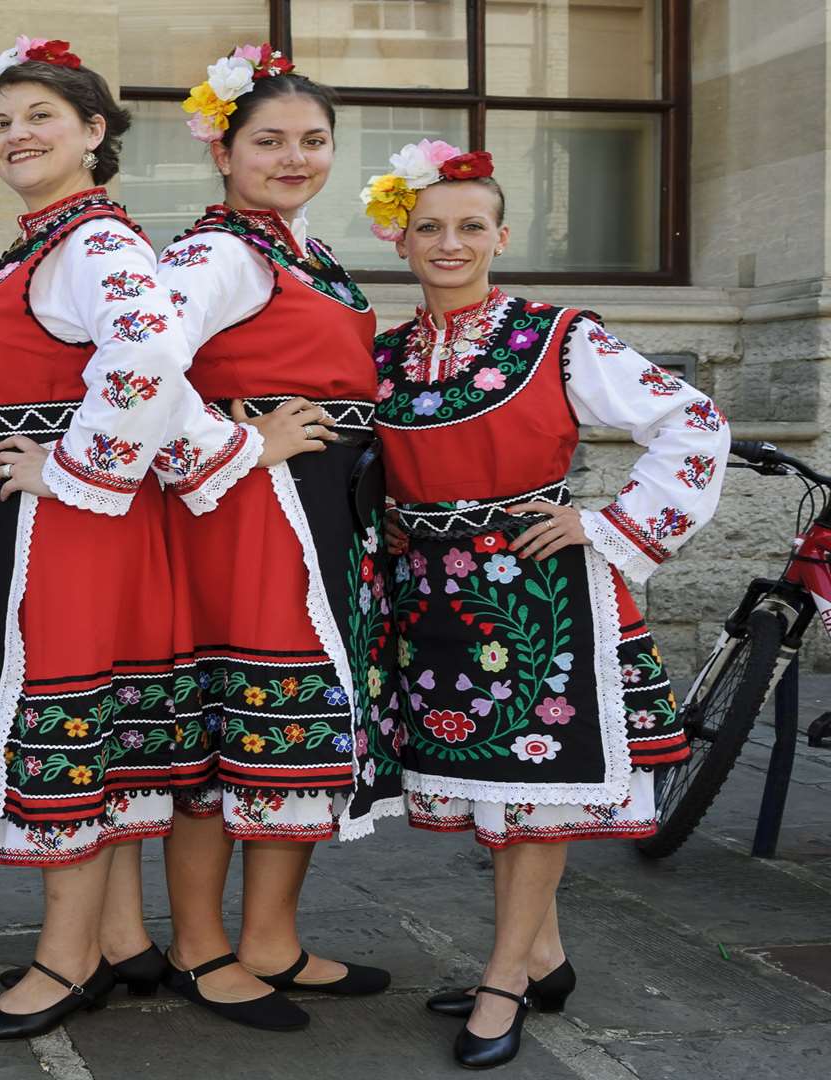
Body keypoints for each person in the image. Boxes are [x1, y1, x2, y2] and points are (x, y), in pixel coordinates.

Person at [0, 37, 311, 1042]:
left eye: (41, 118)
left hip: (59, 525)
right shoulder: (45, 240)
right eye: (3, 121)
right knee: (80, 723)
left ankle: (64, 960)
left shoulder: (95, 243)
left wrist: (70, 471)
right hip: (25, 521)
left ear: (94, 134)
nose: (17, 134)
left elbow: (148, 355)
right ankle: (118, 936)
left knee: (63, 726)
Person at [364, 143, 727, 1067]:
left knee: (533, 793)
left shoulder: (559, 335)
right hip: (430, 602)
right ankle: (545, 954)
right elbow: (361, 469)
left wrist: (608, 524)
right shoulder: (381, 356)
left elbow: (693, 421)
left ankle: (504, 977)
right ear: (398, 238)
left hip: (539, 593)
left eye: (471, 227)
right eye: (430, 227)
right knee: (502, 792)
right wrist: (389, 524)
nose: (451, 243)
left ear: (502, 235)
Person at [151, 46, 397, 1032]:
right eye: (269, 141)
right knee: (233, 723)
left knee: (301, 731)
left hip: (326, 513)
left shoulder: (303, 253)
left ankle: (272, 940)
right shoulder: (216, 255)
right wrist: (238, 442)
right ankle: (199, 944)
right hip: (254, 517)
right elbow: (136, 365)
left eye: (313, 140)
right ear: (224, 149)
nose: (294, 158)